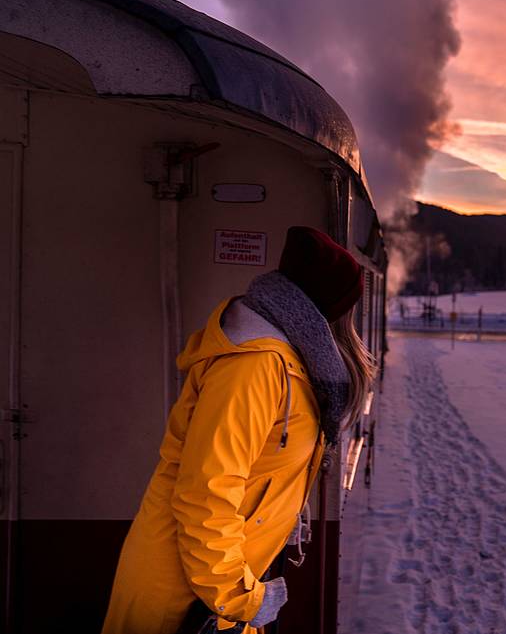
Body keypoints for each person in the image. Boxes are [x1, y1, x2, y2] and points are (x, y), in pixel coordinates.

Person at [102, 227, 375, 634]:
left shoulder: (289, 360)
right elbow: (204, 493)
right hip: (189, 596)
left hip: (217, 584)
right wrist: (240, 597)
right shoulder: (255, 367)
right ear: (329, 309)